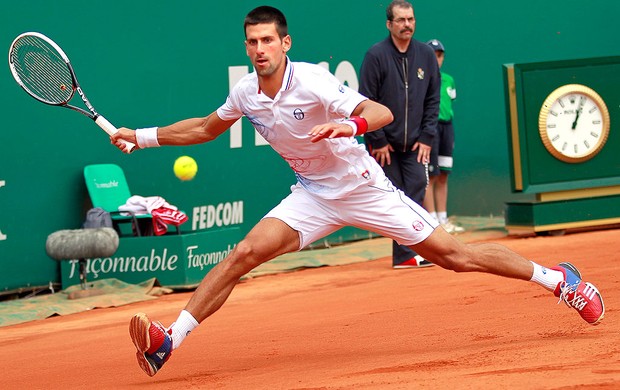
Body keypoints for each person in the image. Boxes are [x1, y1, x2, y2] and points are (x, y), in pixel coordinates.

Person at [111, 5, 605, 378]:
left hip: (364, 187)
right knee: (244, 253)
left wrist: (347, 128)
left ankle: (560, 279)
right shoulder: (245, 92)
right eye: (251, 42)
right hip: (312, 195)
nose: (259, 49)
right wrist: (140, 136)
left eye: (267, 40)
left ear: (285, 43)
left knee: (454, 256)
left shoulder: (314, 81)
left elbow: (381, 114)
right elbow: (203, 128)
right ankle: (167, 341)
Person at [359, 0, 440, 268]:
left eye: (411, 19)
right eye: (402, 20)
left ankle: (416, 250)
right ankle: (403, 255)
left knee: (416, 188)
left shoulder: (426, 55)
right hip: (386, 146)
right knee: (393, 196)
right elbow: (365, 100)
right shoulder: (376, 55)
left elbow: (432, 98)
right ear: (389, 24)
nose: (407, 25)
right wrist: (378, 139)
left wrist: (427, 137)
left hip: (417, 142)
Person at [422, 39, 464, 234]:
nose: (436, 59)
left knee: (444, 174)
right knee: (430, 175)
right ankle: (432, 222)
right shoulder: (421, 79)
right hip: (429, 129)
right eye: (433, 55)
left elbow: (451, 100)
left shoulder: (449, 79)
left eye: (439, 55)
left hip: (447, 128)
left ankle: (443, 219)